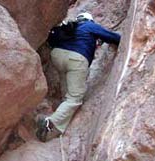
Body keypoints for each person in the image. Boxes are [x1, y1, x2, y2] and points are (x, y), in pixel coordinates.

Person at [36, 12, 121, 142]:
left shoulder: (69, 28)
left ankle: (59, 118)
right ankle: (51, 124)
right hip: (76, 58)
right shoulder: (89, 26)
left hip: (57, 56)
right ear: (89, 20)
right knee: (74, 98)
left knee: (68, 93)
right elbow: (111, 37)